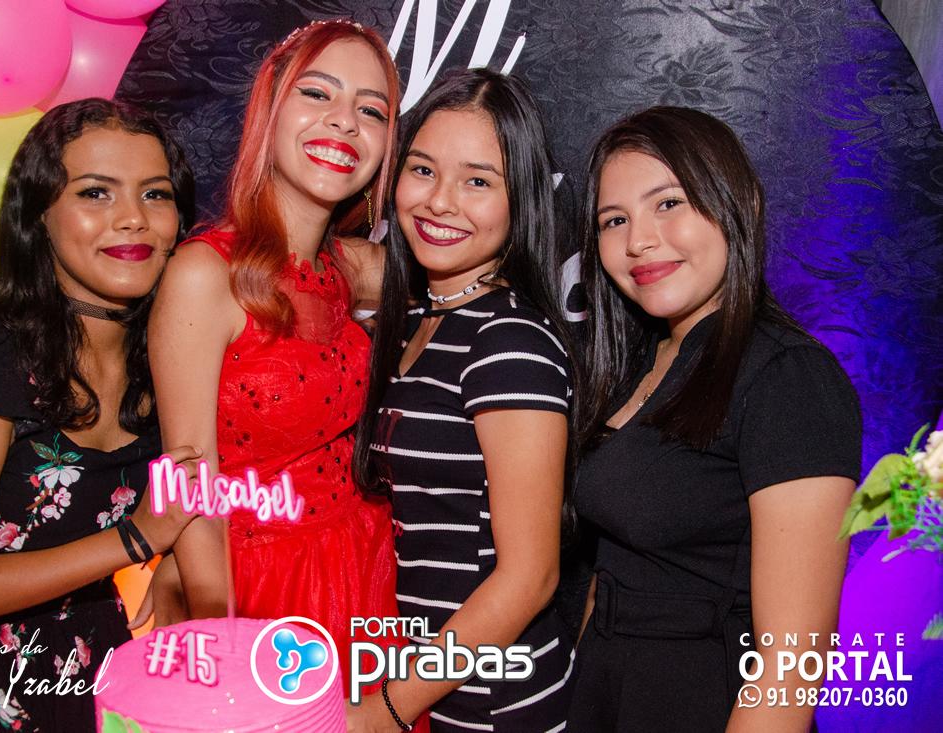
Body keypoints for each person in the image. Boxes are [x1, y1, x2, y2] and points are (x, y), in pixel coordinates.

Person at [0, 98, 198, 733]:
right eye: (96, 193)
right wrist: (136, 540)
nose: (132, 218)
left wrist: (179, 563)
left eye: (155, 194)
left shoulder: (167, 354)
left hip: (91, 659)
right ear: (38, 216)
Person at [565, 106, 862, 732]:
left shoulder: (788, 377)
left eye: (668, 203)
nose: (638, 240)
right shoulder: (636, 362)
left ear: (738, 205)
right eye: (614, 220)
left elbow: (792, 667)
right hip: (607, 693)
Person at [144, 19, 403, 679]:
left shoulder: (345, 266)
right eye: (318, 93)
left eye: (371, 110)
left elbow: (461, 258)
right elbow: (192, 486)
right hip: (263, 591)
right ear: (269, 110)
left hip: (363, 564)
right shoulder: (206, 274)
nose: (344, 121)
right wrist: (218, 633)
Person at [350, 68, 578, 733]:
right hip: (430, 682)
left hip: (491, 702)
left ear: (520, 200)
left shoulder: (508, 342)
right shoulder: (418, 320)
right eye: (423, 170)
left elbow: (530, 577)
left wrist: (387, 710)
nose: (439, 202)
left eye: (477, 181)